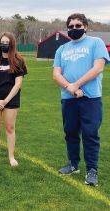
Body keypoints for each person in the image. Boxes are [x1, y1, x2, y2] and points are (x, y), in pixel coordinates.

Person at [53, 13, 109, 186]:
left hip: (90, 98)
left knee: (90, 134)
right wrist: (70, 88)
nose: (74, 29)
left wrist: (76, 84)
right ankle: (73, 164)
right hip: (68, 99)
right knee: (70, 132)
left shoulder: (95, 43)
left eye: (78, 26)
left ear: (85, 26)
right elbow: (56, 74)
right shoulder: (62, 49)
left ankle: (92, 170)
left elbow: (98, 67)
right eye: (71, 26)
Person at [0, 32, 27, 167]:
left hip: (11, 101)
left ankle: (11, 156)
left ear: (12, 44)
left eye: (7, 43)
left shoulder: (18, 61)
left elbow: (18, 83)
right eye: (2, 42)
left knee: (9, 127)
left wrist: (6, 100)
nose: (4, 45)